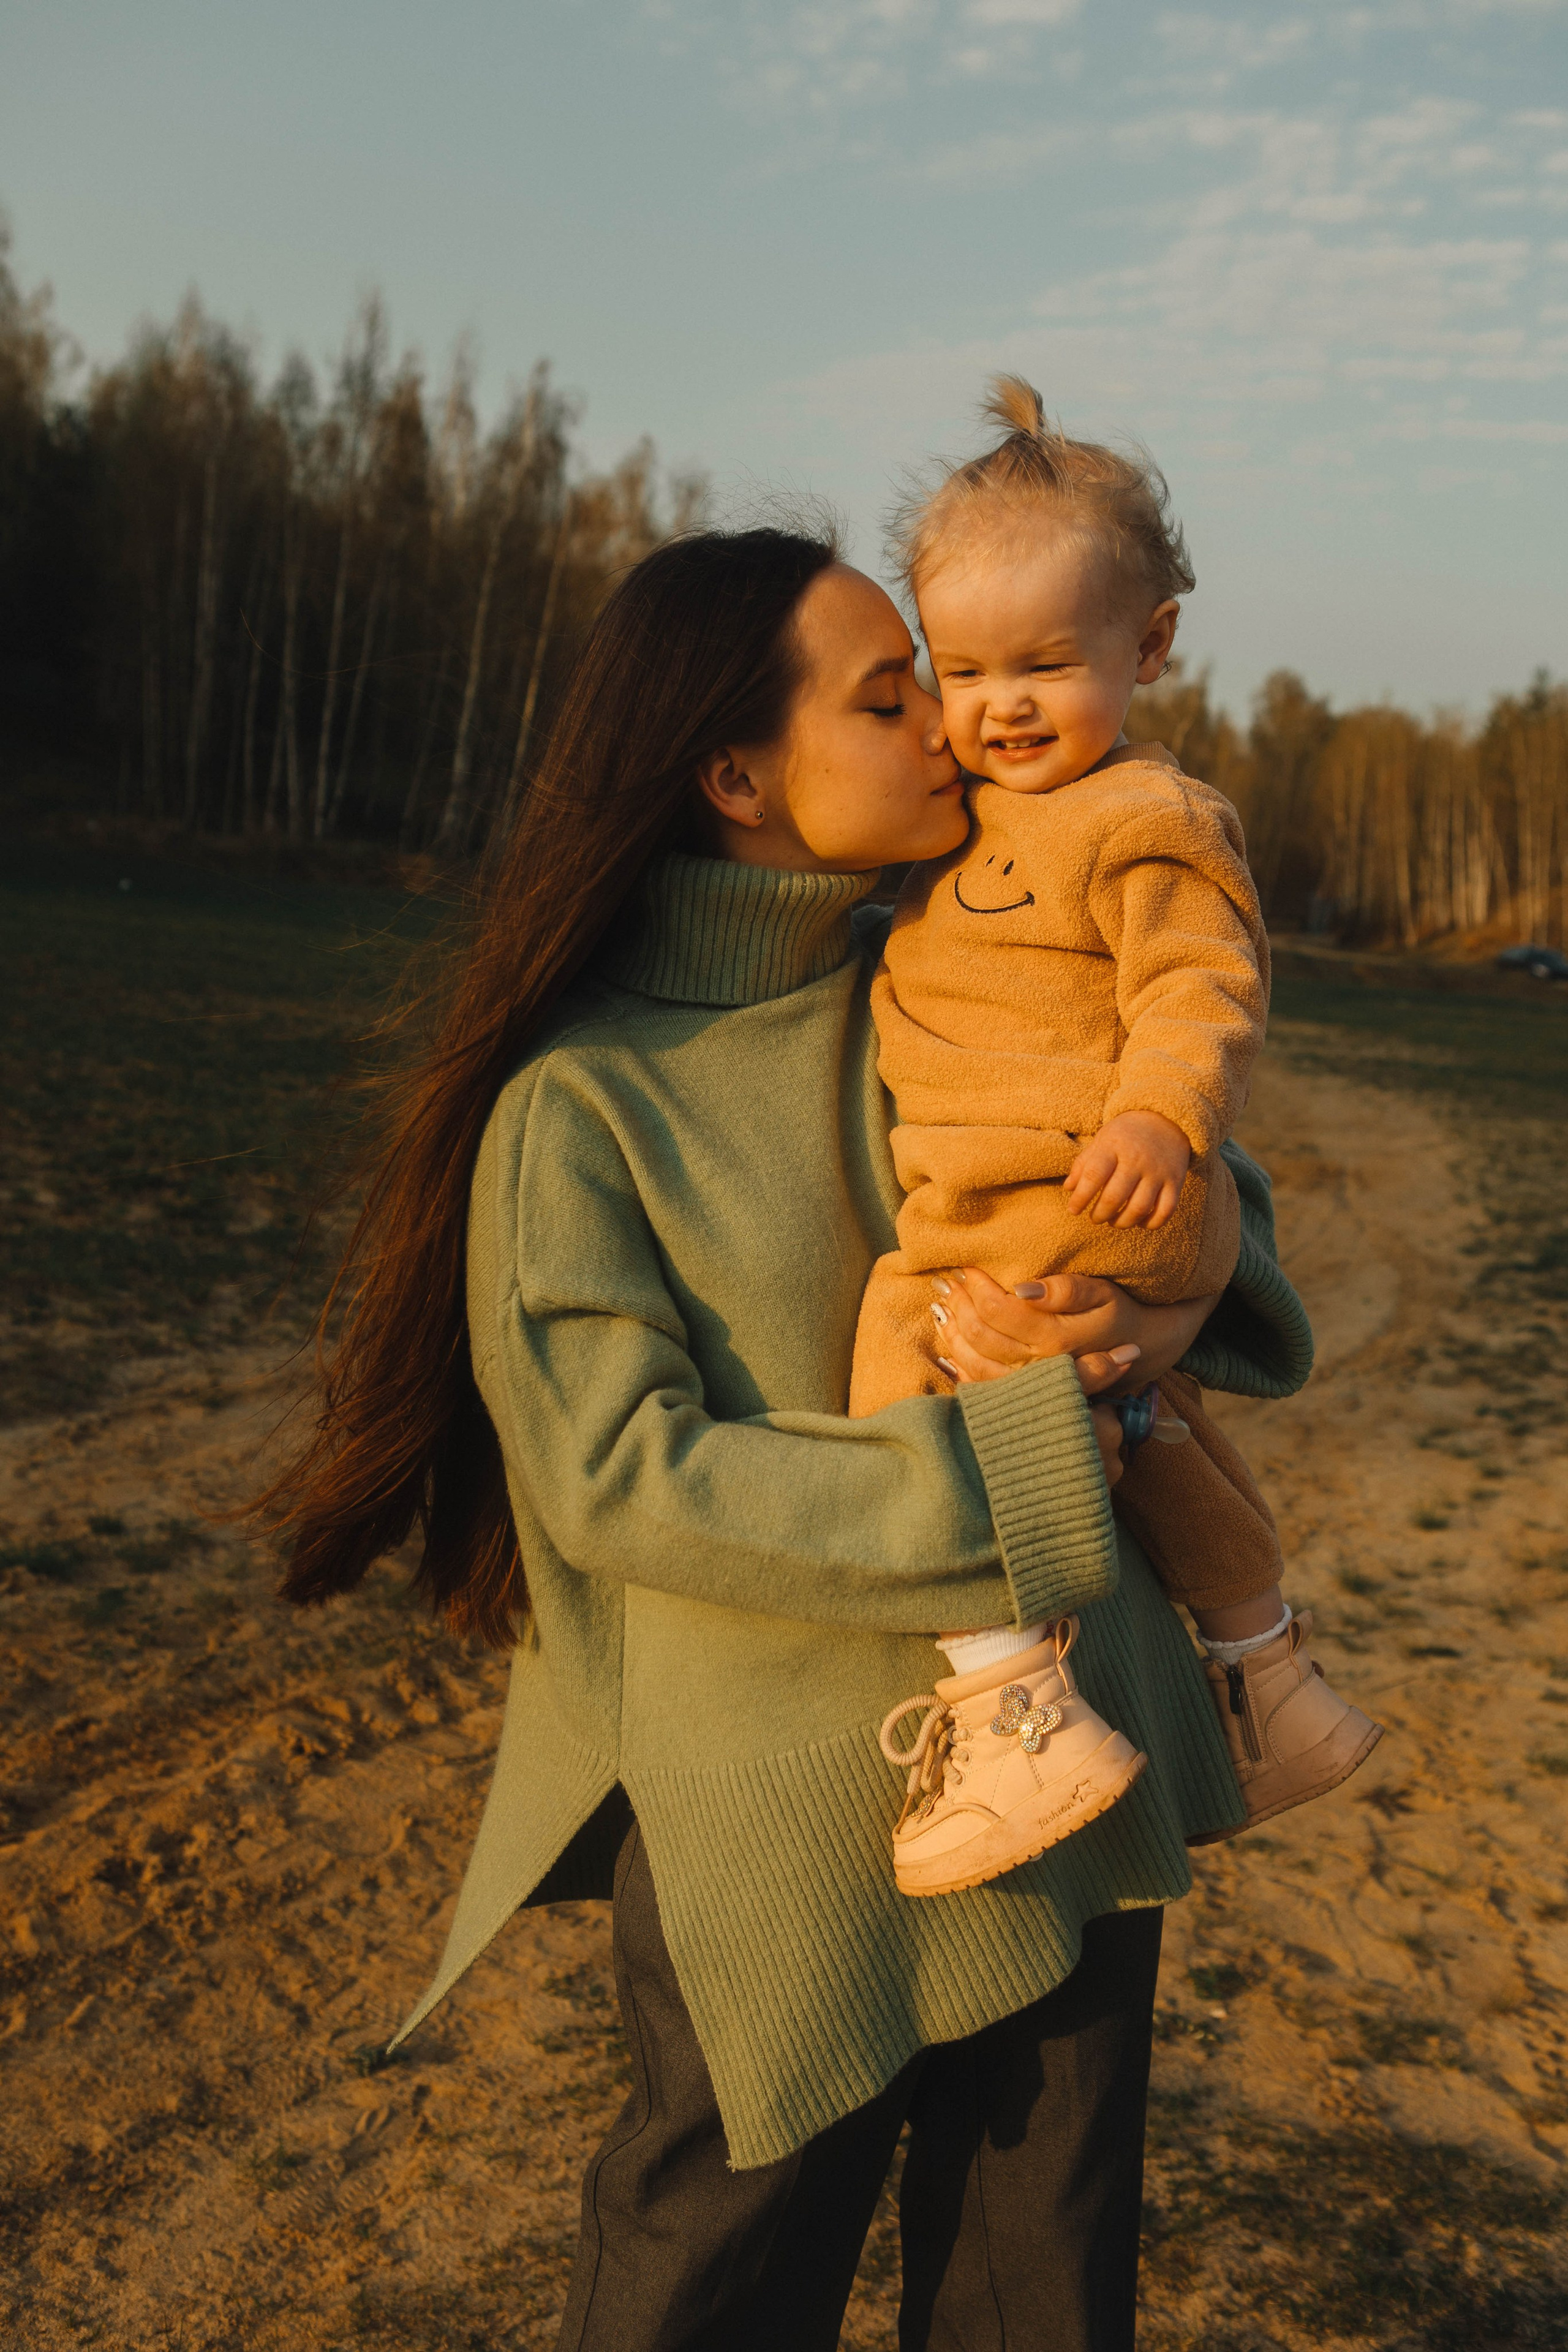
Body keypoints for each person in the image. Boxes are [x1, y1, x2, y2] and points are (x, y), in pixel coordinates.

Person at [258, 522, 1314, 2351]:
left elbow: (1209, 1203)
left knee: (1037, 2306)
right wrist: (1009, 1466)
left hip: (1078, 1750)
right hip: (788, 1828)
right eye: (892, 696)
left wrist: (1142, 1307)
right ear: (737, 777)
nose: (951, 730)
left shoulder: (938, 974)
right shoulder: (578, 1107)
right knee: (712, 2299)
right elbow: (618, 1481)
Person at [850, 379, 1381, 1901]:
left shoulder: (1145, 812)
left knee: (904, 1351)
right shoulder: (962, 825)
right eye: (964, 670)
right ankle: (1271, 1681)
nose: (1001, 705)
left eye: (1045, 664)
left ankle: (1009, 1697)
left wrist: (1164, 1114)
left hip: (1080, 1178)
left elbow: (1202, 981)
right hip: (1087, 1200)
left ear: (1144, 650)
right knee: (1144, 1431)